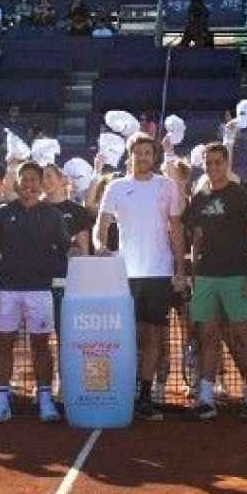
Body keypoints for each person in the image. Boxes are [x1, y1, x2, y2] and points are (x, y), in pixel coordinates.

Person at [94, 132, 187, 420]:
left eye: (148, 152)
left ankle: (144, 396)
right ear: (129, 155)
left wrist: (180, 269)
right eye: (138, 152)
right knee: (124, 337)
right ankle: (124, 390)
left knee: (154, 337)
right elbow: (102, 225)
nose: (143, 157)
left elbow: (176, 229)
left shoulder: (167, 185)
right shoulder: (116, 187)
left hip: (159, 274)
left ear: (154, 156)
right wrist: (101, 248)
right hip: (125, 276)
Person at [0, 162, 73, 423]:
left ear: (40, 183)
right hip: (7, 291)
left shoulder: (53, 215)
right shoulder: (1, 213)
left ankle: (45, 401)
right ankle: (1, 402)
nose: (29, 186)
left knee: (41, 345)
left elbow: (64, 250)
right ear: (18, 183)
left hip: (40, 291)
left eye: (34, 180)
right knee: (4, 344)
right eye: (25, 181)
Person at [183, 143, 247, 422]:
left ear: (226, 163)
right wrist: (194, 275)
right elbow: (196, 240)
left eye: (218, 162)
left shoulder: (241, 196)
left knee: (243, 338)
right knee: (208, 337)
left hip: (237, 276)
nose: (213, 168)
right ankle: (206, 399)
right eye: (208, 163)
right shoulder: (199, 198)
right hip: (206, 278)